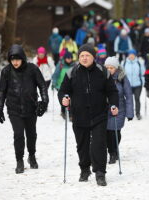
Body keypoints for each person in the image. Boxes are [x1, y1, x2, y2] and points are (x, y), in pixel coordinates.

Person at [58, 43, 119, 186]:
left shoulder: (103, 72)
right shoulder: (71, 72)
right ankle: (85, 169)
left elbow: (112, 91)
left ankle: (100, 173)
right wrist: (64, 99)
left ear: (93, 57)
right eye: (82, 56)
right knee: (82, 145)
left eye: (87, 56)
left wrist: (114, 105)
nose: (84, 58)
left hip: (99, 115)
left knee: (99, 144)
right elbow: (63, 90)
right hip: (79, 115)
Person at [0, 44, 49, 174]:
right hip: (14, 109)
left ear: (23, 59)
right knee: (18, 134)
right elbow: (2, 91)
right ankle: (19, 160)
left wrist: (45, 101)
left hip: (31, 108)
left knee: (31, 134)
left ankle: (31, 156)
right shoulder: (6, 72)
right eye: (12, 59)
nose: (15, 62)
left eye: (17, 59)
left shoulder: (32, 69)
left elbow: (42, 85)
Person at [104, 57, 134, 164]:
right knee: (107, 133)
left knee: (115, 132)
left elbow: (129, 95)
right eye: (107, 67)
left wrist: (130, 113)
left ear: (116, 68)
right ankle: (112, 151)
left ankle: (113, 152)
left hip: (119, 109)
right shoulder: (101, 77)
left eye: (111, 68)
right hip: (105, 110)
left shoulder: (122, 78)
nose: (109, 70)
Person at [52, 51, 75, 119]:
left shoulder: (74, 65)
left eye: (70, 58)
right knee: (63, 99)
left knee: (71, 99)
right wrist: (54, 82)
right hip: (61, 85)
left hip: (71, 85)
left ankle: (71, 114)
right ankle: (63, 111)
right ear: (65, 58)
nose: (69, 59)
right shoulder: (61, 64)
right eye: (68, 58)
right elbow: (56, 74)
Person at [122, 49, 145, 120]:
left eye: (133, 55)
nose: (131, 56)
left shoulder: (139, 63)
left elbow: (143, 74)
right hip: (127, 85)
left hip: (138, 84)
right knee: (129, 99)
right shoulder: (124, 63)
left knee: (137, 99)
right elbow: (121, 74)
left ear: (135, 55)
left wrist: (143, 82)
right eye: (130, 55)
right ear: (128, 55)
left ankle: (138, 113)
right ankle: (129, 113)